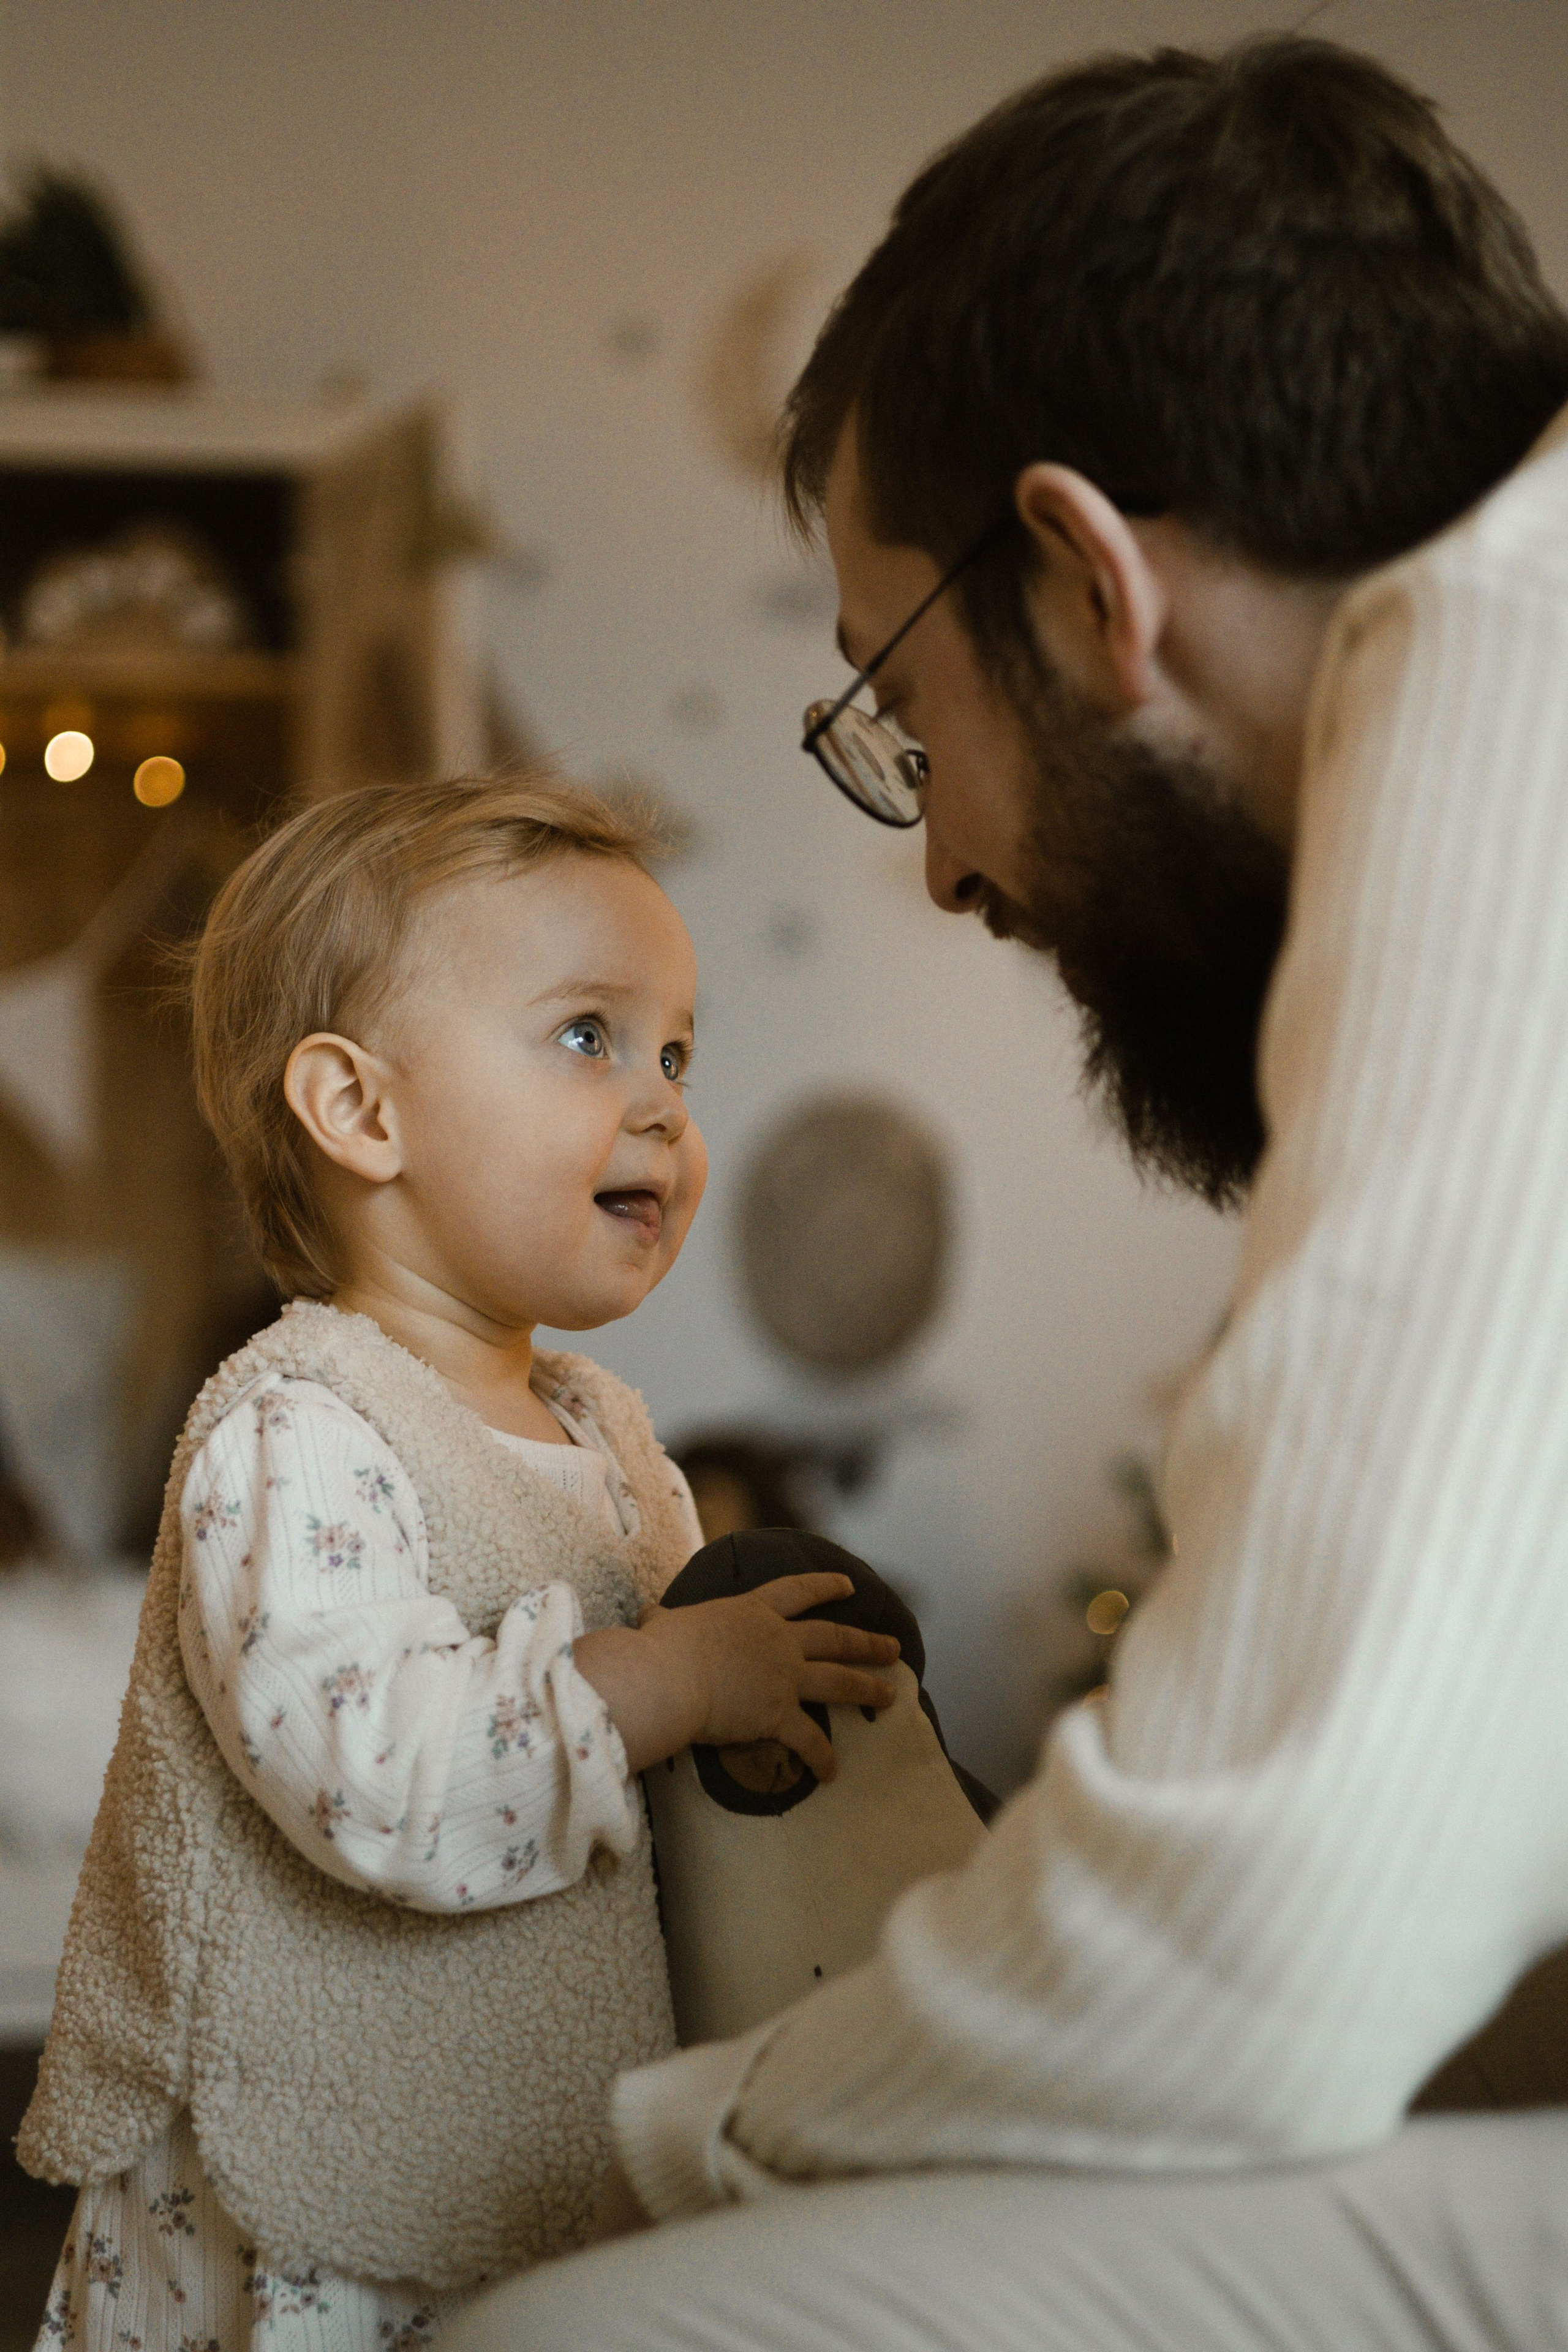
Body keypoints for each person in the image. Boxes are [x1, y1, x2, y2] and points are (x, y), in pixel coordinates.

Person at [451, 37, 1568, 2352]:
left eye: (898, 716)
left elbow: (1272, 1917)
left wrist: (673, 2151)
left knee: (553, 2344)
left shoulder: (1509, 681)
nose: (945, 855)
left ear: (1081, 581)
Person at [20, 775, 899, 2350]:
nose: (662, 1106)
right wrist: (675, 1677)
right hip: (295, 2212)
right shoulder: (297, 1429)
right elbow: (381, 1776)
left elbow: (653, 1778)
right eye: (587, 1036)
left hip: (520, 2144)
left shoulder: (613, 1439)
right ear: (362, 1112)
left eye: (675, 1051)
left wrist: (742, 1717)